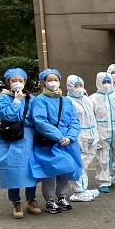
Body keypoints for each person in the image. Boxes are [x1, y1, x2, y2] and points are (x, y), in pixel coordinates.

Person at [30, 69, 81, 214]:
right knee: (50, 170)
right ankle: (50, 200)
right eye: (49, 80)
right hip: (49, 141)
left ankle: (62, 196)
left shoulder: (67, 101)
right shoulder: (40, 100)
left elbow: (74, 121)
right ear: (43, 82)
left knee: (65, 169)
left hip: (67, 141)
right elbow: (40, 121)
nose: (53, 82)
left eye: (55, 79)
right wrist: (58, 136)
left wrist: (70, 136)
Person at [0, 68, 41, 218]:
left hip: (28, 137)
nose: (17, 83)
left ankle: (30, 200)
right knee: (12, 170)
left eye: (20, 80)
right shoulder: (2, 98)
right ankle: (16, 202)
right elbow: (6, 116)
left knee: (30, 169)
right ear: (8, 82)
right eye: (14, 80)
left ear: (25, 81)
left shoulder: (31, 99)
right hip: (11, 137)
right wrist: (16, 101)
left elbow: (38, 117)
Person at [91, 72, 115, 192]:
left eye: (108, 82)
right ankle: (104, 182)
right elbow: (91, 118)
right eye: (104, 82)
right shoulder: (93, 99)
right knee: (102, 157)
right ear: (98, 83)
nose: (106, 84)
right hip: (101, 130)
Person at [66, 75, 100, 202]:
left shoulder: (86, 99)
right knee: (78, 162)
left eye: (81, 85)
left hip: (91, 134)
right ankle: (78, 191)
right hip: (79, 135)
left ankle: (83, 187)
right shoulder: (68, 101)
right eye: (76, 86)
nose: (79, 88)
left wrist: (95, 134)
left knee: (86, 163)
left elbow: (92, 117)